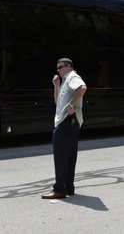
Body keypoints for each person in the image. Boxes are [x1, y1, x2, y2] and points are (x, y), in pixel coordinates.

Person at [42, 58, 87, 199]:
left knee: (61, 156)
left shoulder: (72, 76)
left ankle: (59, 189)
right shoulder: (65, 80)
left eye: (60, 67)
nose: (58, 70)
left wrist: (71, 105)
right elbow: (58, 103)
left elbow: (83, 88)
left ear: (68, 66)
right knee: (69, 156)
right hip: (69, 122)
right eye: (57, 68)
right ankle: (68, 187)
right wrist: (56, 85)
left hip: (66, 122)